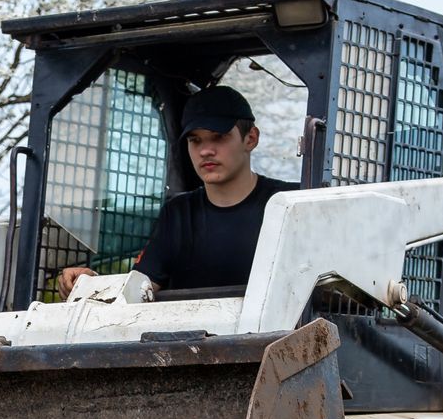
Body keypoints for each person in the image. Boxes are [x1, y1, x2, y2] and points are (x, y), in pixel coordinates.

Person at [56, 83, 283, 298]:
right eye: (195, 140)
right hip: (193, 338)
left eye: (218, 137)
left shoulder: (288, 203)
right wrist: (91, 282)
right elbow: (139, 288)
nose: (205, 151)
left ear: (251, 138)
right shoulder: (178, 213)